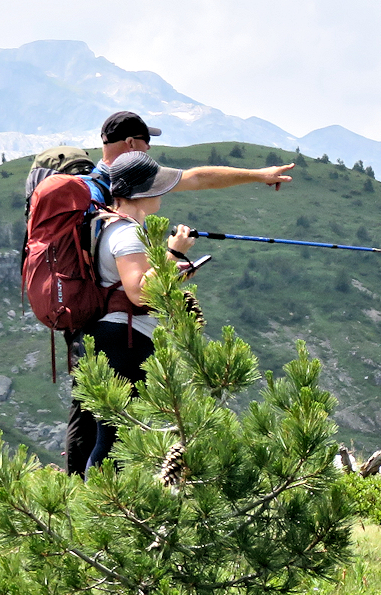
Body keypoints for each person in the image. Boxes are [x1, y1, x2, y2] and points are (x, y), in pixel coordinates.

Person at [64, 150, 289, 475]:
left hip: (115, 338)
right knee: (116, 438)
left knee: (116, 436)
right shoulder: (127, 233)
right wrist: (172, 252)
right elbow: (140, 292)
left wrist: (173, 269)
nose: (164, 191)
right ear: (142, 192)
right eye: (157, 185)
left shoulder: (112, 225)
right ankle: (105, 507)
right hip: (123, 341)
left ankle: (106, 507)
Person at [95, 111, 295, 193]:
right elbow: (199, 178)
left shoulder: (93, 182)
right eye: (145, 140)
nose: (148, 147)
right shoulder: (136, 180)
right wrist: (258, 175)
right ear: (130, 143)